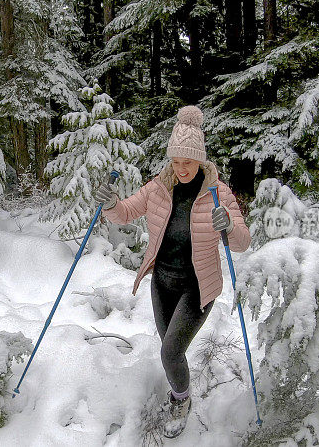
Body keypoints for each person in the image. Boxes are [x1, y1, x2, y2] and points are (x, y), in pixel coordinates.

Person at [94, 105, 251, 438]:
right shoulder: (157, 188)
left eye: (189, 162)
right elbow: (124, 213)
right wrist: (110, 205)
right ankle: (180, 384)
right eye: (177, 161)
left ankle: (181, 399)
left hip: (198, 288)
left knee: (170, 351)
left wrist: (229, 227)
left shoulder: (218, 194)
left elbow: (242, 241)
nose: (182, 169)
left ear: (201, 161)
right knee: (171, 351)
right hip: (162, 283)